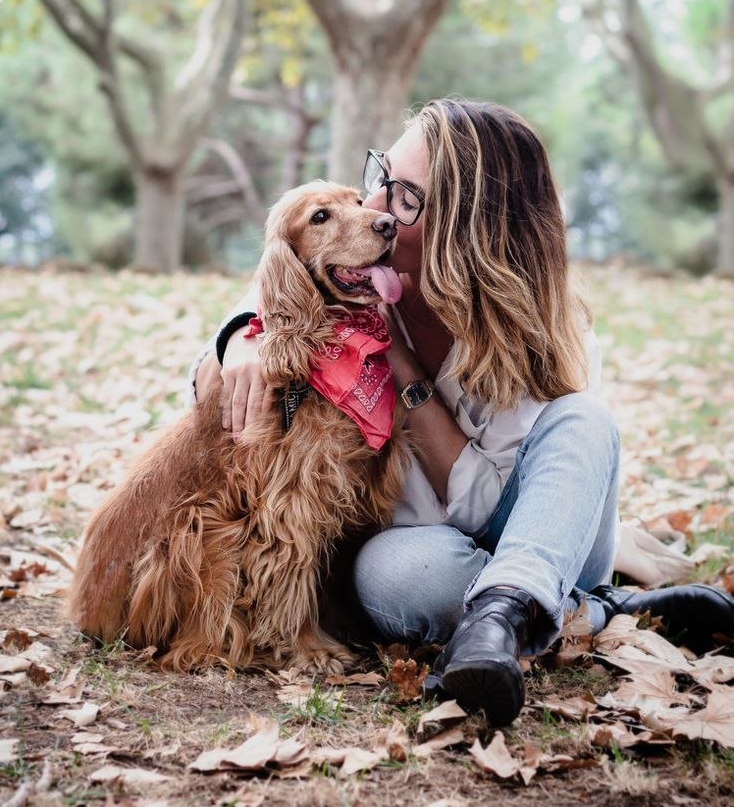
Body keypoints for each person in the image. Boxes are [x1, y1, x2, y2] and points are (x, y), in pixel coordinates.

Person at [191, 98, 734, 726]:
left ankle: (514, 609)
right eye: (379, 176)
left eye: (405, 199)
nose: (374, 209)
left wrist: (404, 371)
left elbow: (483, 511)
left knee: (585, 421)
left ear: (465, 227)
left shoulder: (542, 335)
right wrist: (238, 337)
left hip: (542, 531)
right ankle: (584, 612)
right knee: (391, 574)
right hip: (437, 559)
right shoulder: (354, 274)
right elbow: (252, 309)